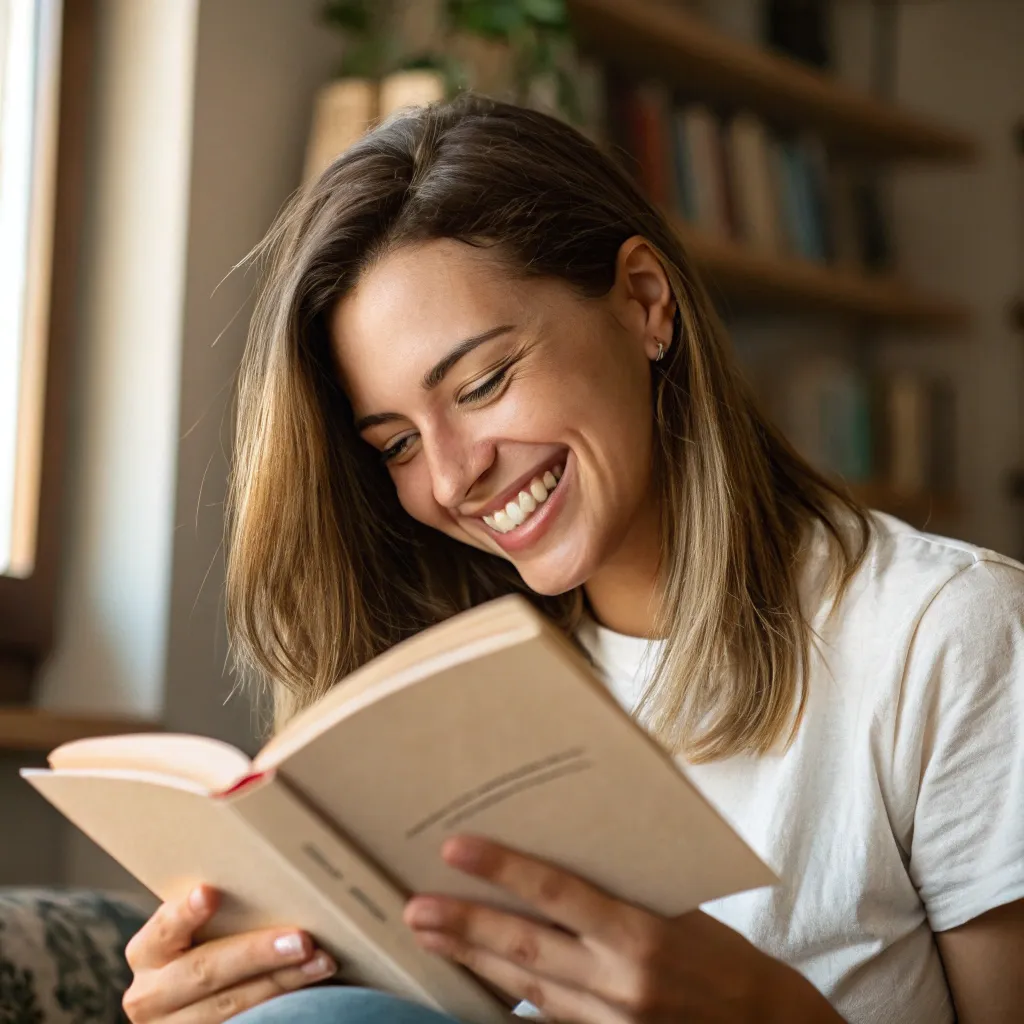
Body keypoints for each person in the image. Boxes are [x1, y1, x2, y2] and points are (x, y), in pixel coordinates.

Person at [120, 96, 1024, 1024]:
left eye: (482, 382)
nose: (453, 476)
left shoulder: (946, 634)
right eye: (394, 444)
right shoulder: (436, 683)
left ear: (644, 302)